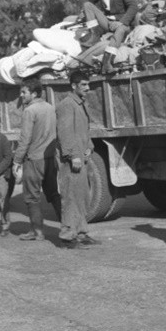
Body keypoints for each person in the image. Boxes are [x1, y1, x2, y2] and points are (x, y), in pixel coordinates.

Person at [56, 71, 100, 250]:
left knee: (82, 197)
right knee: (71, 197)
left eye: (88, 84)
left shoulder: (80, 104)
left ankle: (81, 233)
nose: (88, 88)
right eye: (83, 85)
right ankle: (67, 237)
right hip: (73, 160)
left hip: (82, 158)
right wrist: (73, 155)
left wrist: (89, 147)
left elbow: (83, 131)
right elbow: (65, 133)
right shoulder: (67, 105)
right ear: (73, 86)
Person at [12, 78, 60, 241]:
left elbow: (25, 139)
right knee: (53, 194)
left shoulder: (29, 111)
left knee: (32, 196)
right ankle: (68, 227)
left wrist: (17, 160)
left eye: (24, 92)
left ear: (34, 93)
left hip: (34, 159)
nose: (21, 95)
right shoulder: (50, 108)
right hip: (49, 158)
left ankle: (37, 231)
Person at [81, 0, 139, 72]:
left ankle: (107, 61)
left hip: (123, 24)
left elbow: (133, 7)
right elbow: (91, 2)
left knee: (120, 30)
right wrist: (81, 14)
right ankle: (94, 35)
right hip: (108, 22)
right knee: (87, 5)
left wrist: (121, 22)